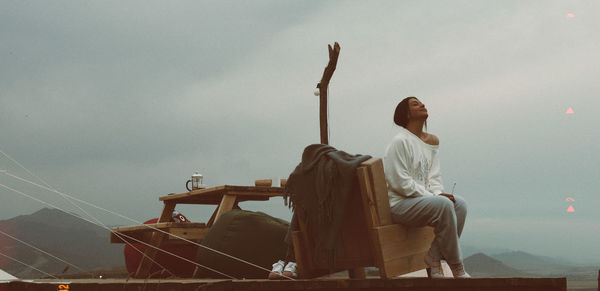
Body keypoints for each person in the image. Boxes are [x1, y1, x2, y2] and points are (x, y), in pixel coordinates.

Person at [383, 96, 470, 279]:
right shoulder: (400, 141)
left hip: (422, 201)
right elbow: (399, 182)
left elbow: (434, 177)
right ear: (406, 114)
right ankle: (457, 266)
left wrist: (437, 194)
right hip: (401, 204)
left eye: (421, 102)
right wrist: (433, 197)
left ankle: (434, 258)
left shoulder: (431, 142)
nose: (422, 104)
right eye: (415, 104)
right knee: (443, 204)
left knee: (459, 204)